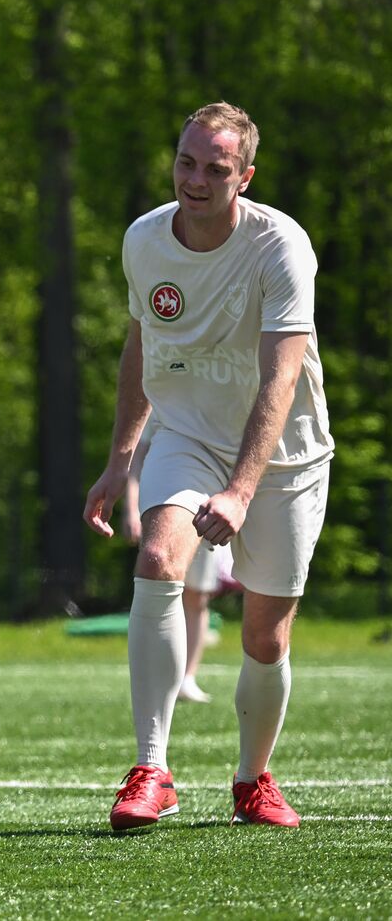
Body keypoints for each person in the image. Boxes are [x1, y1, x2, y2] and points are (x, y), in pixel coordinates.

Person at [83, 102, 333, 831]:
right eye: (186, 162)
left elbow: (280, 379)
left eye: (215, 169)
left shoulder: (281, 246)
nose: (195, 180)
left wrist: (242, 488)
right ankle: (152, 768)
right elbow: (141, 347)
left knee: (265, 636)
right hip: (186, 431)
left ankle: (252, 779)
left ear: (244, 177)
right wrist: (119, 459)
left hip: (284, 452)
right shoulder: (143, 239)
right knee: (158, 559)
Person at [124, 422, 225, 703]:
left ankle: (187, 677)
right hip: (164, 507)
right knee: (158, 587)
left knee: (197, 596)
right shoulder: (162, 395)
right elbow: (137, 460)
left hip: (208, 505)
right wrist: (131, 508)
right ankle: (157, 680)